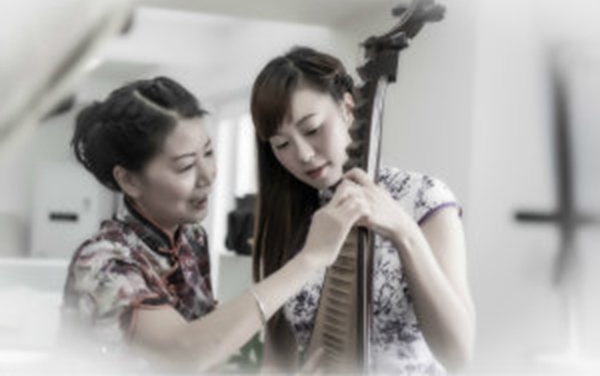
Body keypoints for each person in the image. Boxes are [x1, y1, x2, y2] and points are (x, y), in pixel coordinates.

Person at [60, 76, 363, 373]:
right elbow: (184, 354)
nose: (208, 176)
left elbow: (209, 361)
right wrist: (310, 258)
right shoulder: (103, 263)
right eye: (186, 166)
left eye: (208, 152)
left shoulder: (192, 238)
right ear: (129, 180)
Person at [250, 46, 476, 375]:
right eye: (282, 144)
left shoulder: (423, 198)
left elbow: (459, 354)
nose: (304, 154)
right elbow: (276, 364)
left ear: (347, 108)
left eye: (312, 129)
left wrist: (404, 231)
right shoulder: (290, 220)